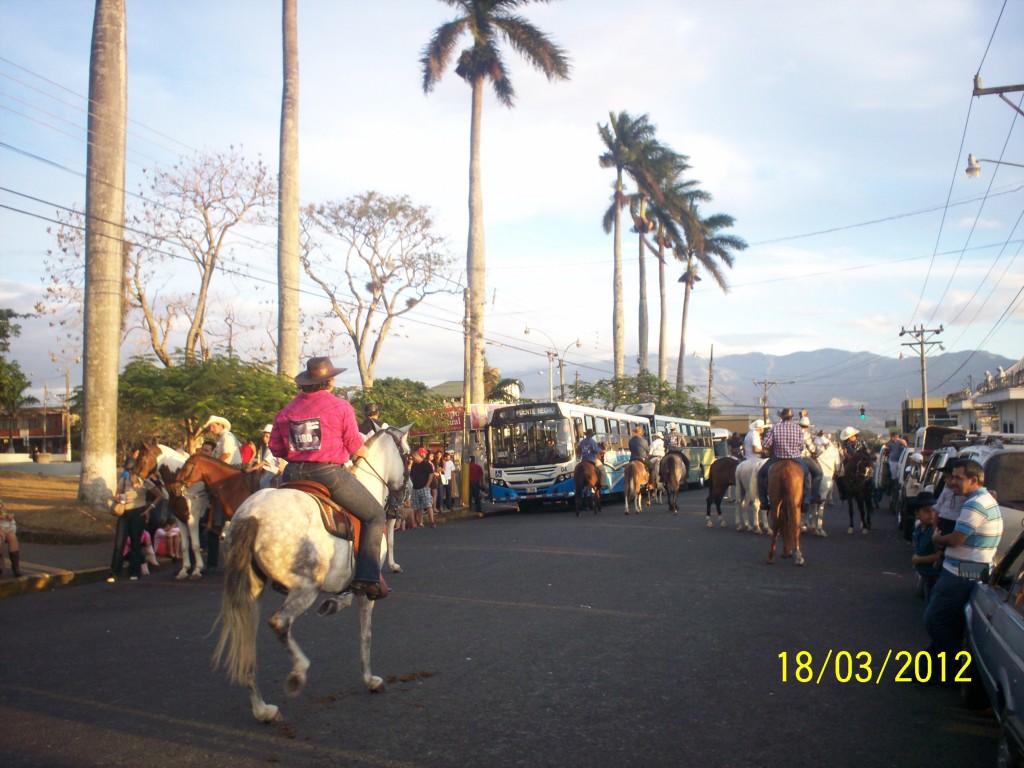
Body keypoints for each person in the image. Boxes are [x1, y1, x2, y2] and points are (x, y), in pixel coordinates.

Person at [269, 356, 390, 599]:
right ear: (330, 382)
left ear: (305, 382)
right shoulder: (340, 406)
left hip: (292, 474)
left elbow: (276, 449)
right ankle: (366, 578)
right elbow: (355, 445)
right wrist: (362, 451)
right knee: (375, 516)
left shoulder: (286, 411)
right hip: (327, 474)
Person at [923, 459, 1002, 664]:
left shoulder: (975, 504)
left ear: (974, 480)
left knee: (935, 620)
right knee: (949, 620)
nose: (952, 482)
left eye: (958, 478)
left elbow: (957, 539)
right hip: (970, 568)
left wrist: (937, 539)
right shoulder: (982, 500)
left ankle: (952, 668)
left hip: (962, 572)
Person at [109, 460, 160, 582]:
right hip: (125, 513)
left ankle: (135, 571)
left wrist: (149, 509)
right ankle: (115, 572)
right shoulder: (124, 481)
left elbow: (159, 495)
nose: (131, 472)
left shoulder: (144, 482)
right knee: (119, 543)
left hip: (138, 512)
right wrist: (119, 499)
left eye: (133, 469)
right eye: (128, 469)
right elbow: (118, 494)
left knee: (136, 543)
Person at [757, 408, 813, 511]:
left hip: (777, 458)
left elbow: (766, 444)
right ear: (792, 417)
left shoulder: (774, 428)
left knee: (761, 475)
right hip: (795, 458)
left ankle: (764, 501)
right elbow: (801, 446)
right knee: (808, 476)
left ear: (781, 417)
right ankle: (806, 501)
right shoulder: (798, 429)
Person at [909, 492, 942, 606]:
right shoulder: (918, 529)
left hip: (935, 577)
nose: (931, 514)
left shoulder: (934, 532)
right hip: (926, 575)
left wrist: (919, 559)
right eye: (926, 510)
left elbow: (938, 556)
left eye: (933, 510)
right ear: (917, 513)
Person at [249, 424, 285, 490]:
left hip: (270, 471)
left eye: (267, 436)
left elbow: (265, 461)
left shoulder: (272, 447)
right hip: (268, 469)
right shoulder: (270, 446)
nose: (264, 438)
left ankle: (265, 495)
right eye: (264, 436)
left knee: (263, 483)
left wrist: (251, 469)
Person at [408, 446, 435, 528]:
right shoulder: (414, 466)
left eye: (414, 457)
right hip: (415, 488)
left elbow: (431, 474)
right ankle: (420, 522)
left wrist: (427, 485)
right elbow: (412, 476)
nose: (413, 459)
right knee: (418, 506)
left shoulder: (426, 464)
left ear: (418, 455)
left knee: (428, 504)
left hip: (424, 487)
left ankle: (432, 522)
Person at [0, 499, 22, 578]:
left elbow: (3, 513)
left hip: (4, 525)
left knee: (12, 537)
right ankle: (1, 566)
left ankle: (15, 567)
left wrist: (8, 516)